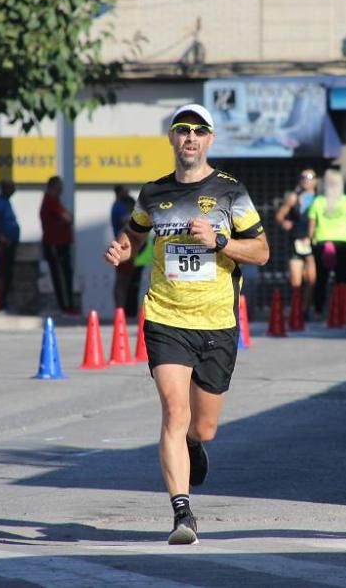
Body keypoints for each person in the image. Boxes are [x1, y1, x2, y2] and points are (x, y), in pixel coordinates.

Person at [104, 104, 269, 545]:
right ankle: (182, 513)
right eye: (182, 130)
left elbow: (262, 251)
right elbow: (136, 231)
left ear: (210, 139)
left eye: (199, 130)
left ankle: (195, 445)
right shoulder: (153, 193)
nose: (190, 137)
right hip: (165, 316)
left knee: (203, 427)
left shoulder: (231, 192)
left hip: (216, 321)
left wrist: (220, 241)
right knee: (174, 411)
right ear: (173, 139)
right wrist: (124, 247)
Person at [307, 168, 346, 317]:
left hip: (322, 243)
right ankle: (341, 309)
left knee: (321, 278)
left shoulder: (318, 201)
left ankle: (319, 310)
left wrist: (310, 240)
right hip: (342, 243)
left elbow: (311, 225)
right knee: (342, 278)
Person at [275, 168, 318, 318]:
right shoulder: (294, 197)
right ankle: (297, 310)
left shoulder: (321, 198)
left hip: (313, 243)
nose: (307, 179)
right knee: (296, 281)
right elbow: (280, 215)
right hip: (297, 242)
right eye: (304, 177)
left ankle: (305, 308)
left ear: (316, 180)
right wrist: (285, 222)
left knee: (312, 279)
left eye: (310, 177)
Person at [40, 175, 76, 313]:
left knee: (65, 273)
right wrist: (67, 218)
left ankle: (68, 305)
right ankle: (66, 306)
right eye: (59, 187)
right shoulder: (50, 201)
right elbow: (67, 217)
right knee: (61, 275)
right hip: (55, 244)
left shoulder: (55, 201)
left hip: (61, 243)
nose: (61, 190)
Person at [111, 184, 144, 317]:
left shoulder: (118, 206)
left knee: (127, 281)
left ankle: (123, 309)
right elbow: (129, 221)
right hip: (124, 248)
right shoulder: (119, 207)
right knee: (122, 281)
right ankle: (120, 309)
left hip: (129, 249)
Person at [0, 180, 20, 311]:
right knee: (2, 274)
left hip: (10, 243)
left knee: (8, 274)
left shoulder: (7, 202)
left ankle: (4, 302)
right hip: (3, 244)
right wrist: (1, 237)